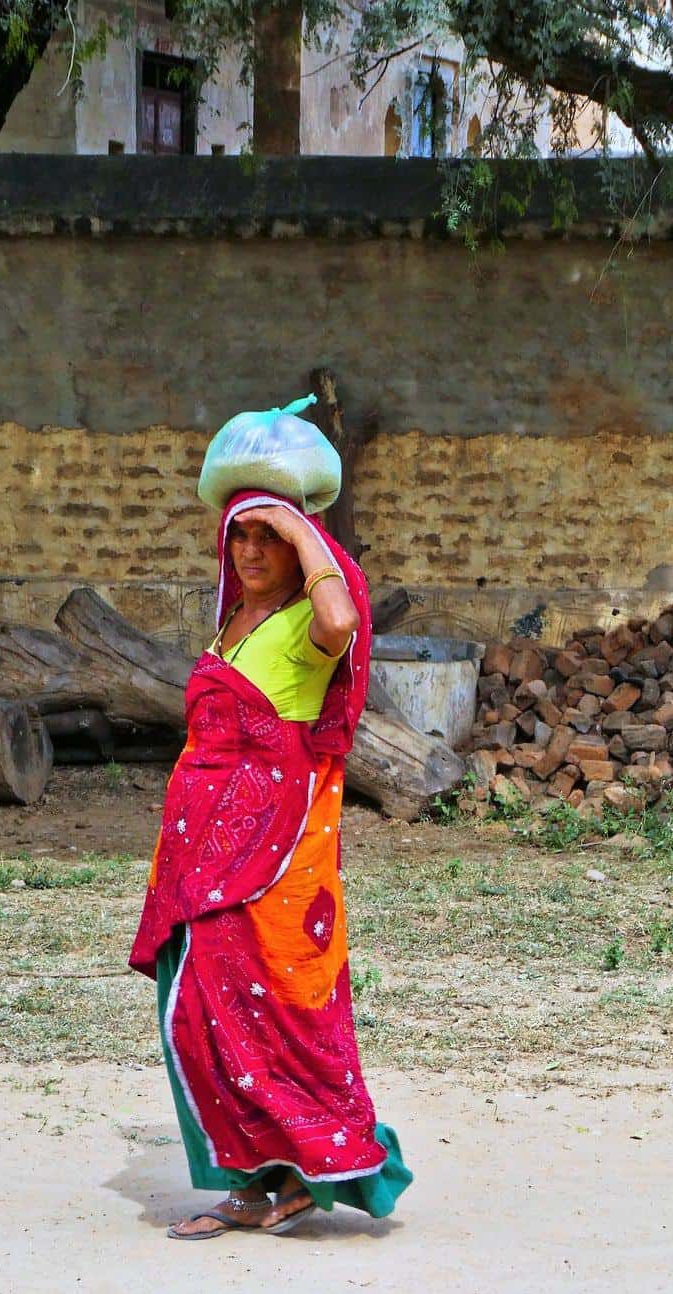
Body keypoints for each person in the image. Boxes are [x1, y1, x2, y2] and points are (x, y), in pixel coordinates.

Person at [129, 487, 413, 1237]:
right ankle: (261, 1177)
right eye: (240, 537)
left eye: (268, 537)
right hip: (203, 848)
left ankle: (281, 1177)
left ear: (299, 546)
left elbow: (342, 617)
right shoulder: (239, 619)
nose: (250, 551)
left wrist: (298, 523)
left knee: (246, 1010)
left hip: (266, 854)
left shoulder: (305, 626)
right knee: (196, 1010)